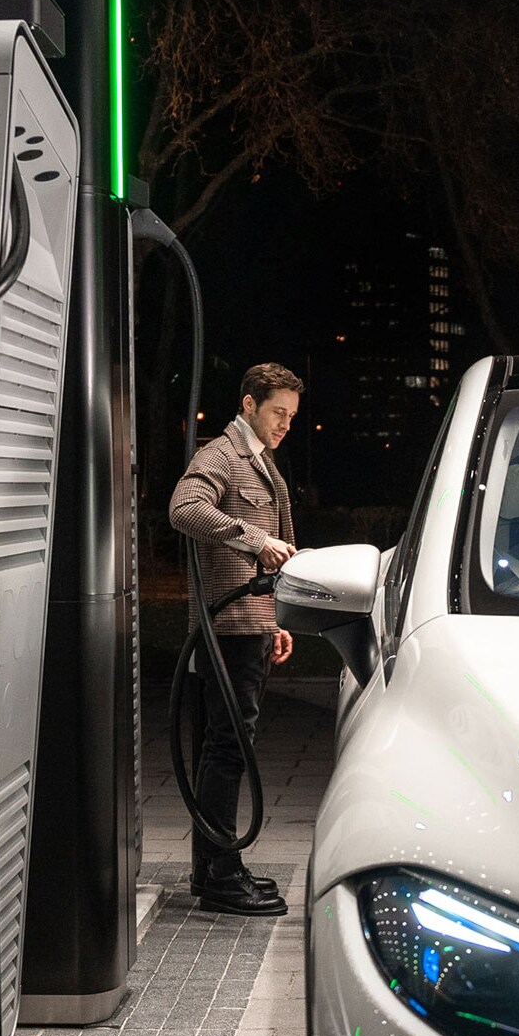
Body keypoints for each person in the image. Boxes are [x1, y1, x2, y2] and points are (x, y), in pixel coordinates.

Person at [169, 362, 302, 916]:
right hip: (227, 628)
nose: (285, 424)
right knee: (228, 747)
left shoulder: (260, 460)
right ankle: (221, 874)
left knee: (222, 745)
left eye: (292, 417)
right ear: (249, 404)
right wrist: (252, 539)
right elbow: (183, 509)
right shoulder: (222, 455)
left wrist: (279, 618)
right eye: (278, 412)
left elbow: (283, 547)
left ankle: (214, 868)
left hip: (251, 624)